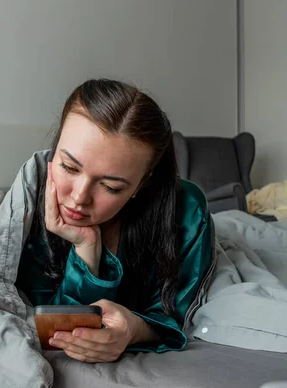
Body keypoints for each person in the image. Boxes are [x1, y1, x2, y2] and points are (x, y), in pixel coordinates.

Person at [16, 79, 214, 363]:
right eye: (69, 167)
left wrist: (135, 329)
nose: (79, 197)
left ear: (142, 183)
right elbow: (50, 329)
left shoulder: (186, 210)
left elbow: (175, 314)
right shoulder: (30, 202)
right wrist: (86, 251)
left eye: (111, 186)